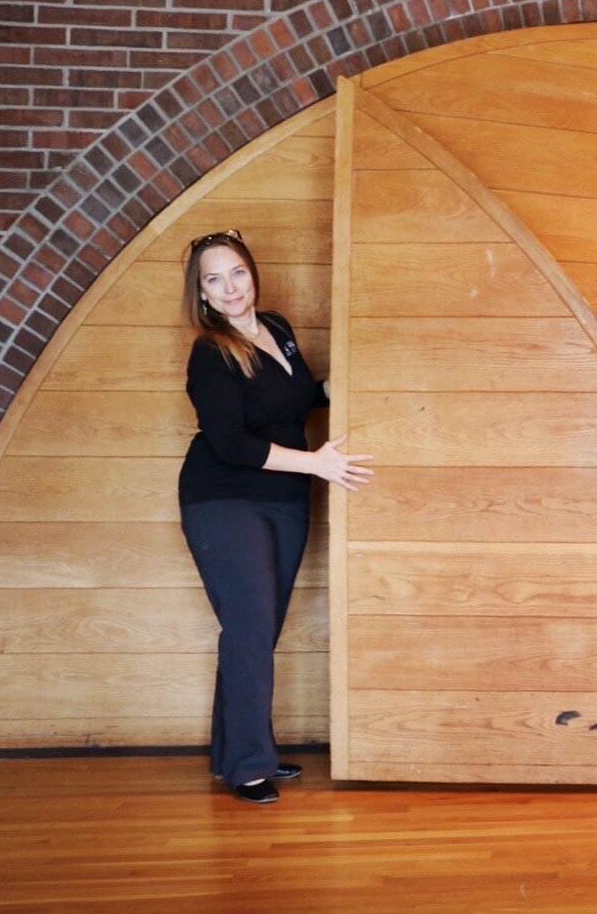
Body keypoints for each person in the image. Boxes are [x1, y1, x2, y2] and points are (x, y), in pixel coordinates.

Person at [177, 229, 373, 805]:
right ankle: (248, 765)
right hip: (224, 500)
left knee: (259, 629)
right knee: (250, 628)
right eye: (214, 280)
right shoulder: (211, 353)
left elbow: (295, 397)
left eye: (237, 272)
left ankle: (237, 752)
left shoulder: (277, 328)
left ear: (252, 272)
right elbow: (232, 442)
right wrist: (316, 463)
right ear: (202, 294)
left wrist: (345, 384)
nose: (230, 287)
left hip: (285, 497)